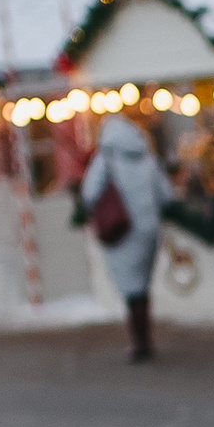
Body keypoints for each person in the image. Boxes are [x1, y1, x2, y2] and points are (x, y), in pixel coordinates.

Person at [81, 109, 168, 361]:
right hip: (149, 229)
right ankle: (145, 339)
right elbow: (166, 194)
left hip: (121, 229)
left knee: (131, 288)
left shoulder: (105, 159)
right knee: (142, 285)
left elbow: (89, 193)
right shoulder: (148, 158)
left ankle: (140, 342)